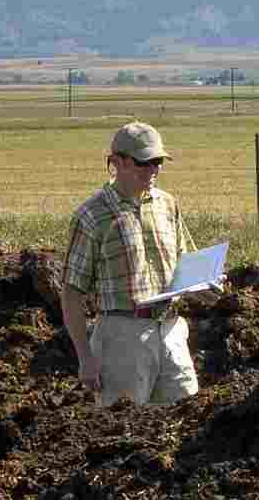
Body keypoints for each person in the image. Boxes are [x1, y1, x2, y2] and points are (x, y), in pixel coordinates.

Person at [59, 121, 206, 406]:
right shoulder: (92, 216)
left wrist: (205, 284)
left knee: (185, 423)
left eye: (158, 162)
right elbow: (72, 292)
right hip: (121, 336)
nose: (153, 170)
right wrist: (85, 357)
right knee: (123, 430)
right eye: (144, 163)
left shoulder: (168, 205)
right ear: (117, 162)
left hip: (172, 330)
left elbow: (186, 264)